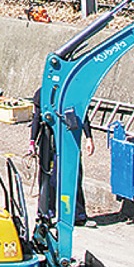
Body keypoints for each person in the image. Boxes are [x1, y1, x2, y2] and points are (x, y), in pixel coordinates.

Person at [31, 86, 95, 226]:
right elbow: (36, 118)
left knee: (74, 176)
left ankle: (78, 215)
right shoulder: (43, 93)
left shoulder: (73, 91)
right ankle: (46, 213)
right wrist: (32, 141)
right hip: (49, 142)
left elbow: (82, 115)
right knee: (49, 179)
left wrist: (89, 137)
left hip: (69, 140)